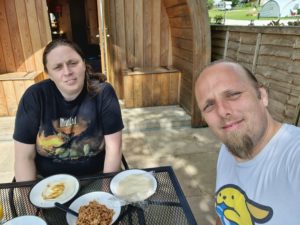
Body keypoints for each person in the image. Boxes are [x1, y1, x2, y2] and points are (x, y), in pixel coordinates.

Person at [195, 60, 300, 225]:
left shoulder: (294, 155)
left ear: (262, 96)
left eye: (233, 95)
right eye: (209, 106)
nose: (222, 111)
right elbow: (224, 217)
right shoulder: (227, 150)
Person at [13, 39, 124, 182]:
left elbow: (114, 150)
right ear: (49, 74)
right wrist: (30, 202)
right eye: (58, 67)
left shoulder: (103, 93)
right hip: (47, 183)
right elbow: (24, 158)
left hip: (96, 177)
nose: (67, 72)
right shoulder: (34, 97)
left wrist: (104, 197)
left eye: (73, 63)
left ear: (84, 64)